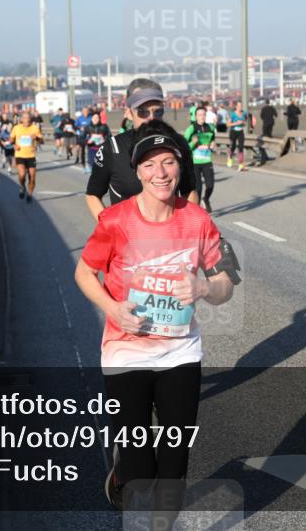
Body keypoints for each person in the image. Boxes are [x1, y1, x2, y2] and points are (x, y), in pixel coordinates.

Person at [74, 119, 236, 515]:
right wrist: (112, 308)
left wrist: (204, 289)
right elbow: (83, 272)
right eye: (149, 165)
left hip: (180, 352)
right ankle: (122, 476)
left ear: (181, 166)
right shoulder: (115, 221)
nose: (160, 173)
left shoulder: (197, 220)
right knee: (140, 465)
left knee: (175, 463)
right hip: (125, 351)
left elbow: (225, 283)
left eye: (168, 162)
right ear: (136, 170)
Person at [86, 79, 199, 221]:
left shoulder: (178, 143)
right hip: (127, 238)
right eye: (142, 111)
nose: (151, 118)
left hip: (169, 237)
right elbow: (93, 195)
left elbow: (190, 192)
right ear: (128, 112)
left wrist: (190, 228)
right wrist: (108, 229)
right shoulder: (112, 148)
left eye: (158, 111)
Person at [184, 106, 217, 213]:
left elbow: (213, 141)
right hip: (195, 163)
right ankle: (197, 211)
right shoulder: (191, 129)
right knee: (198, 188)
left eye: (203, 115)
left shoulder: (211, 128)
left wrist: (213, 145)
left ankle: (206, 199)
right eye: (199, 115)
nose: (202, 117)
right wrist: (193, 143)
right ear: (196, 116)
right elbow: (184, 146)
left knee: (210, 185)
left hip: (207, 161)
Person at [10, 111, 43, 200]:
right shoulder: (16, 128)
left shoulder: (35, 128)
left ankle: (29, 194)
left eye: (28, 118)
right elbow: (11, 139)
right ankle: (22, 186)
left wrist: (36, 138)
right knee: (22, 174)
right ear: (21, 119)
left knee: (32, 177)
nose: (26, 120)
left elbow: (42, 141)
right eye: (24, 118)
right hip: (20, 154)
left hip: (31, 155)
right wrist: (14, 145)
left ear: (30, 119)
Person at [226, 102, 247, 171]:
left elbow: (245, 123)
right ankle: (230, 157)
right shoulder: (232, 114)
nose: (240, 107)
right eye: (239, 106)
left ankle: (241, 165)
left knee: (241, 147)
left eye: (241, 105)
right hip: (233, 132)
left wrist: (243, 123)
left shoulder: (244, 113)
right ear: (236, 106)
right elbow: (228, 125)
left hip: (241, 131)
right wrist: (236, 123)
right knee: (233, 146)